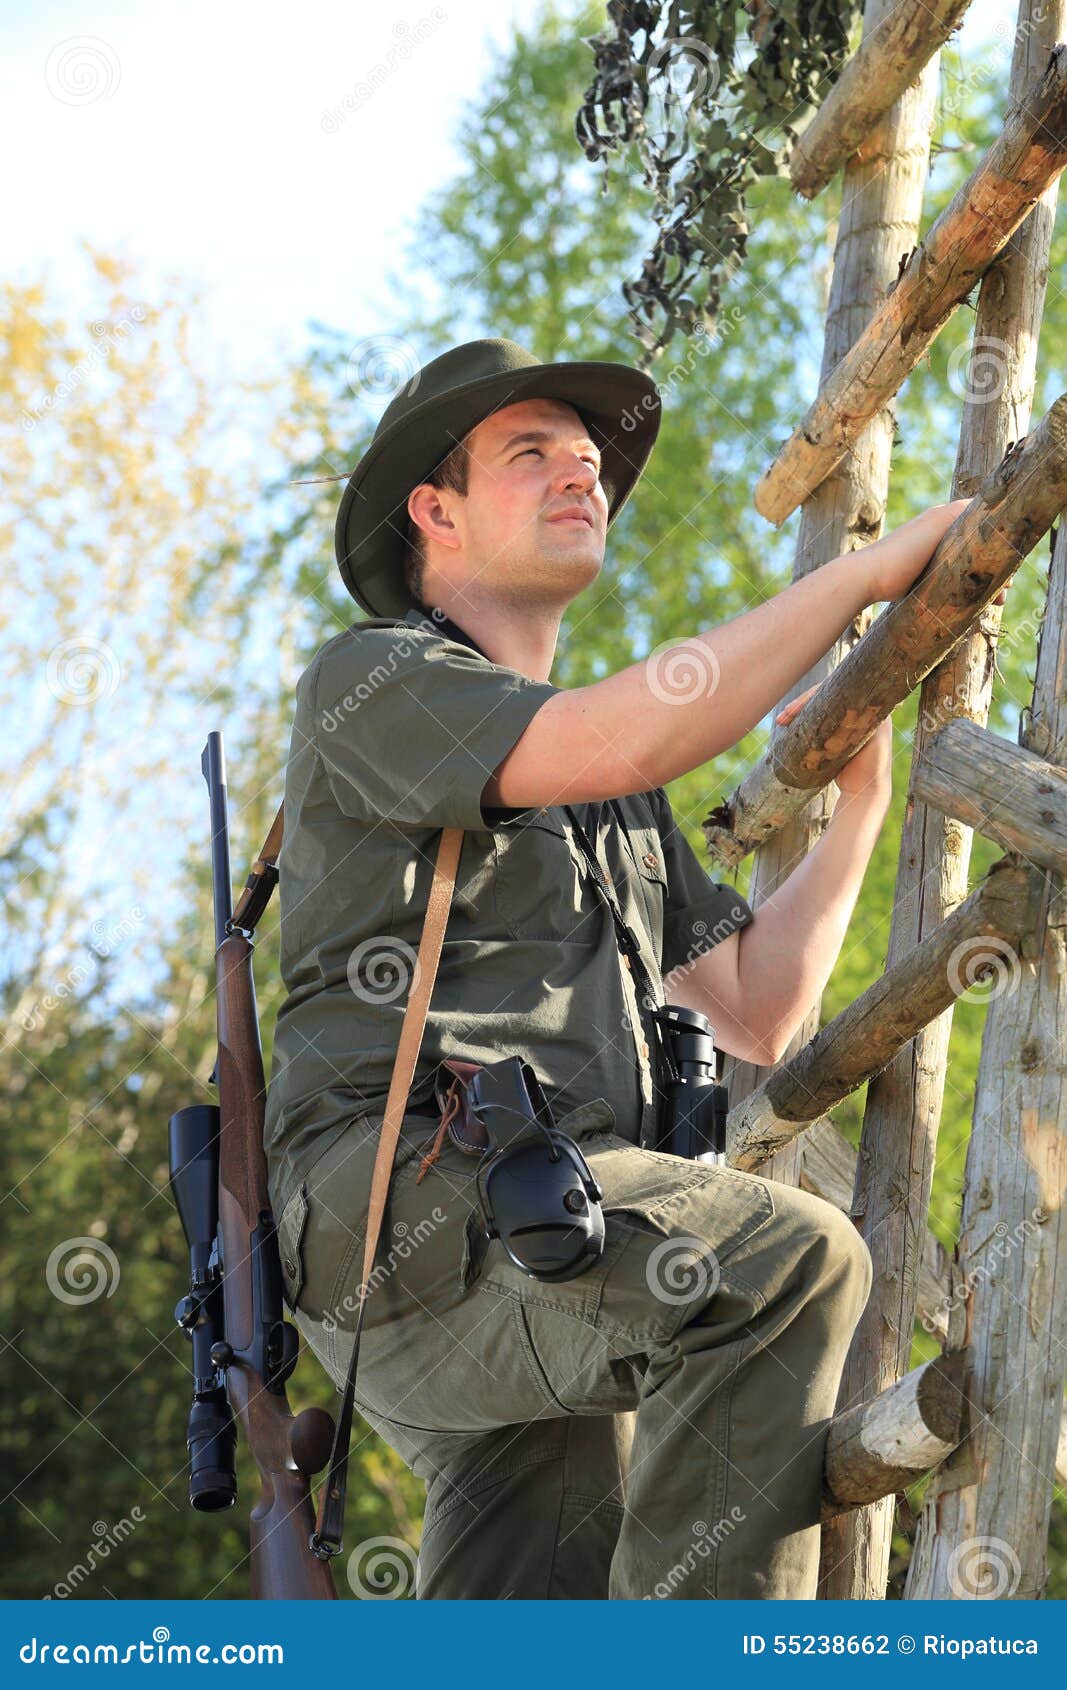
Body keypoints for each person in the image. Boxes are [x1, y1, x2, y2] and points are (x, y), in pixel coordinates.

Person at [263, 337, 968, 1600]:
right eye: (528, 454)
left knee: (536, 1575)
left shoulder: (609, 792)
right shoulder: (374, 676)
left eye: (585, 460)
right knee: (785, 1263)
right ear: (435, 510)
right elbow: (630, 724)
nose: (578, 475)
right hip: (405, 1216)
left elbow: (757, 1006)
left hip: (543, 1233)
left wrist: (859, 803)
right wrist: (865, 578)